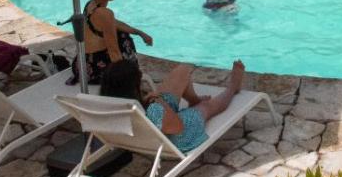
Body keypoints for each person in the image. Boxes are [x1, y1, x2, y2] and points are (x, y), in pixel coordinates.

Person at [101, 58, 247, 153]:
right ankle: (233, 87)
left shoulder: (108, 106)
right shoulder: (154, 110)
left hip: (156, 124)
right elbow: (177, 127)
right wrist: (158, 100)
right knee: (207, 106)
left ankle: (194, 100)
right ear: (133, 87)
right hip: (177, 137)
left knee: (182, 71)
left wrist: (149, 99)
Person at [77, 0, 154, 86]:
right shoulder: (105, 13)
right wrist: (126, 79)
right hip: (95, 70)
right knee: (123, 38)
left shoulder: (91, 5)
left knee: (121, 32)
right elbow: (113, 50)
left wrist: (139, 33)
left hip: (81, 64)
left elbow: (114, 23)